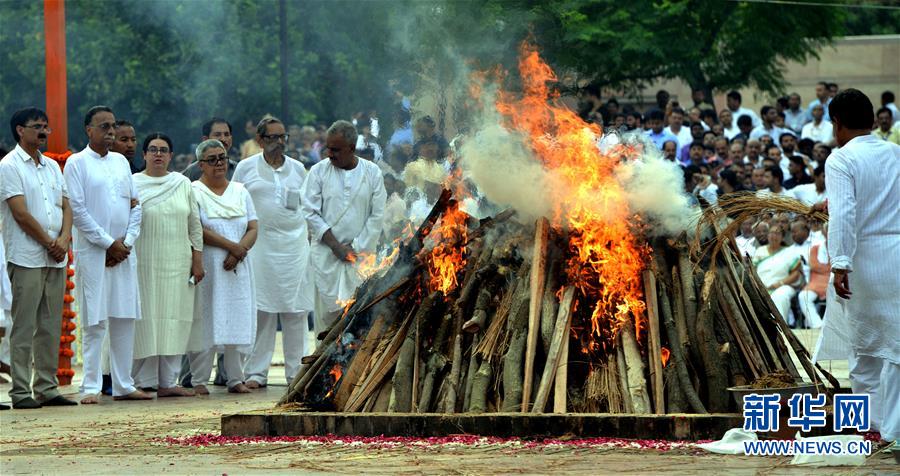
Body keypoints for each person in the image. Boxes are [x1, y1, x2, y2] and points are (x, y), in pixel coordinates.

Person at [825, 88, 899, 442]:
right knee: (896, 347)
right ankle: (892, 428)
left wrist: (840, 262)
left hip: (865, 261)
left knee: (863, 349)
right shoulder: (896, 153)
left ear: (837, 123)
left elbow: (845, 214)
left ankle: (870, 427)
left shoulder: (841, 159)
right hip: (897, 253)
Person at [65, 106, 148, 404]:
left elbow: (136, 206)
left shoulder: (121, 164)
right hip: (94, 253)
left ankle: (124, 384)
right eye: (104, 126)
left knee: (124, 318)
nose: (111, 132)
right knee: (95, 321)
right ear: (89, 130)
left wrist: (125, 243)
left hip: (124, 253)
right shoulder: (77, 163)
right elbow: (78, 210)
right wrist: (107, 244)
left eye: (113, 126)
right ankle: (90, 387)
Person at [0, 108, 77, 408]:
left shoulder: (51, 167)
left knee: (49, 324)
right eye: (37, 127)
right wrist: (49, 241)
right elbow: (20, 213)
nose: (44, 132)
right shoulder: (9, 166)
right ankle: (21, 391)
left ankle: (46, 387)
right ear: (20, 130)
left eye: (46, 127)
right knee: (24, 325)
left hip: (55, 256)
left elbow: (66, 207)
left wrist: (63, 239)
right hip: (27, 256)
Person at [233, 117, 313, 389]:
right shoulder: (245, 169)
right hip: (260, 246)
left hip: (294, 247)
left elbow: (308, 205)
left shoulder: (299, 169)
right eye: (273, 137)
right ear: (260, 140)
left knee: (296, 311)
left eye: (283, 137)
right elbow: (235, 205)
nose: (279, 143)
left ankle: (296, 373)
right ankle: (256, 373)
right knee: (262, 311)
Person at [130, 133, 204, 397]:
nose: (158, 154)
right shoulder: (133, 183)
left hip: (177, 262)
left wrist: (197, 259)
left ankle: (168, 382)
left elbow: (194, 225)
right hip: (143, 263)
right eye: (153, 149)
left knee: (175, 318)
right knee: (145, 319)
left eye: (163, 150)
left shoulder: (182, 183)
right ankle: (142, 380)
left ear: (171, 156)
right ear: (145, 155)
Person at [186, 139, 258, 394]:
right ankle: (199, 380)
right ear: (201, 164)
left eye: (223, 158)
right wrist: (232, 247)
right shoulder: (194, 190)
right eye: (212, 159)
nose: (219, 163)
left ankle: (235, 378)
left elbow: (252, 227)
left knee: (236, 317)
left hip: (237, 266)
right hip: (209, 265)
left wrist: (240, 251)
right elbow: (197, 229)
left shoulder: (240, 190)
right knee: (206, 318)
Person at [302, 120, 386, 335]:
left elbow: (377, 215)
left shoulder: (372, 172)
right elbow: (310, 212)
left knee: (359, 320)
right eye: (328, 148)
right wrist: (335, 246)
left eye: (336, 149)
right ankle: (321, 369)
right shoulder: (318, 172)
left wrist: (355, 248)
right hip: (326, 257)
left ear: (351, 147)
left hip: (360, 258)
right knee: (326, 322)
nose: (329, 154)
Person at [752, 224, 802, 326]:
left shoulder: (789, 251)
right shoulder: (760, 251)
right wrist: (757, 285)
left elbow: (796, 274)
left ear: (782, 237)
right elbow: (752, 272)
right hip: (760, 287)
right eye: (771, 233)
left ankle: (781, 327)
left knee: (780, 296)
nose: (774, 236)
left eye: (777, 233)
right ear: (768, 235)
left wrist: (779, 284)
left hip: (783, 286)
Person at [797, 232, 828, 329]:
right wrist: (828, 268)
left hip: (833, 281)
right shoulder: (815, 248)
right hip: (814, 283)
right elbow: (813, 265)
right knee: (803, 297)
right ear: (824, 232)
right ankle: (817, 325)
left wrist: (820, 269)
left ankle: (828, 326)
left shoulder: (839, 248)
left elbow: (838, 268)